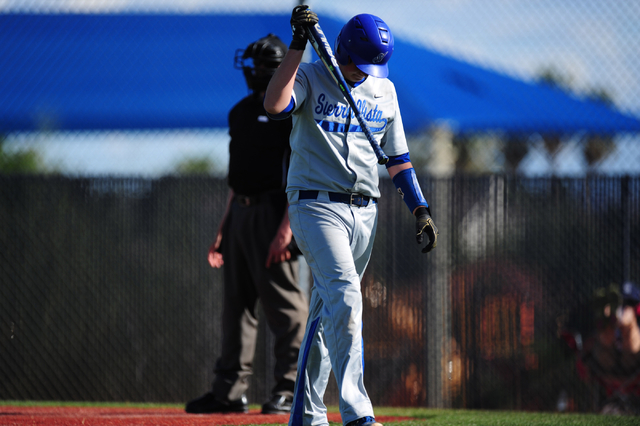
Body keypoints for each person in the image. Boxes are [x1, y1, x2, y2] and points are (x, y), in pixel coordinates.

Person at [264, 6, 438, 426]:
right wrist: (297, 45)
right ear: (341, 51)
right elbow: (274, 104)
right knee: (347, 296)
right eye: (360, 64)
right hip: (316, 205)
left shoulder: (385, 91)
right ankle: (358, 413)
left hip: (366, 211)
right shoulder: (310, 74)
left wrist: (420, 208)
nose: (364, 73)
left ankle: (306, 416)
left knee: (329, 314)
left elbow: (398, 159)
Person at [185, 33, 309, 415]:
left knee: (286, 307)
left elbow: (300, 172)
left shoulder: (291, 113)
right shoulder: (239, 112)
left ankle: (290, 389)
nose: (253, 73)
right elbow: (236, 176)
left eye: (259, 67)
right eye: (252, 67)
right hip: (240, 211)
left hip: (275, 212)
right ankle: (228, 392)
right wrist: (223, 228)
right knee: (236, 306)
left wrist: (287, 229)